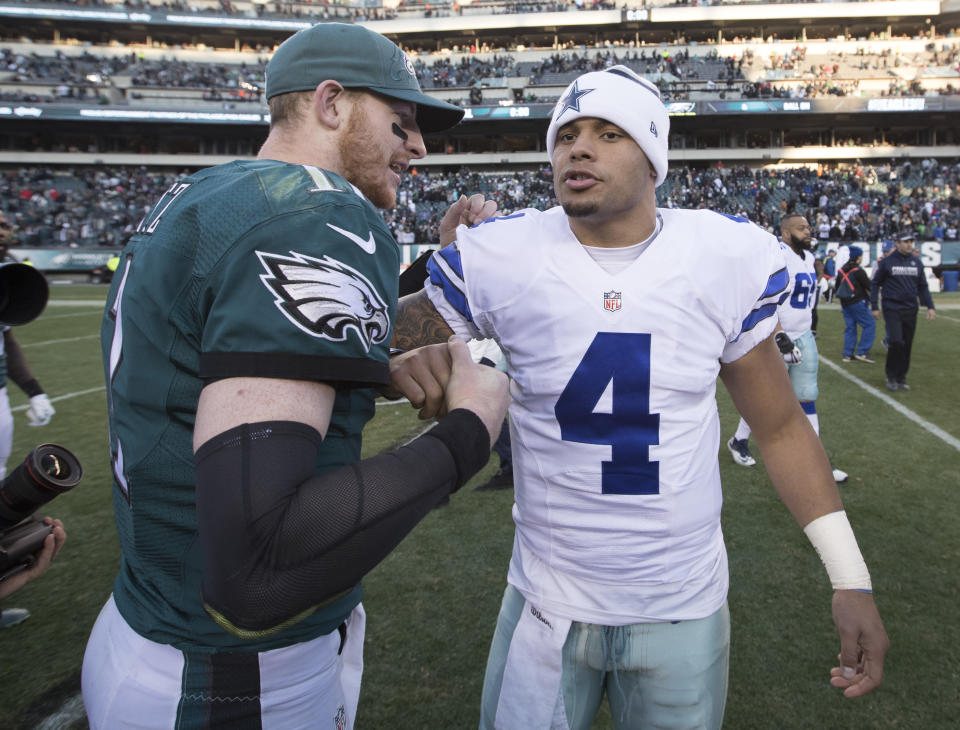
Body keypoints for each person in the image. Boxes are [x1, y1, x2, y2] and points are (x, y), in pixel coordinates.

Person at [391, 66, 887, 730]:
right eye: (565, 134)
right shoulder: (501, 256)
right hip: (547, 600)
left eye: (607, 132)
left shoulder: (717, 255)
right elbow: (389, 345)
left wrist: (848, 574)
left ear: (653, 158)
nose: (579, 147)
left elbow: (778, 427)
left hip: (680, 604)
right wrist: (404, 342)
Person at [81, 23, 509, 730]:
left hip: (150, 625)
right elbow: (259, 566)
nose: (421, 147)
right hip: (231, 673)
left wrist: (436, 273)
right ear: (331, 103)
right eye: (401, 123)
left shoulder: (213, 196)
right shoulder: (318, 210)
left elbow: (268, 347)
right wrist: (470, 428)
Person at [727, 213, 848, 485]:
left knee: (806, 398)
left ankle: (817, 462)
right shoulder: (776, 255)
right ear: (784, 233)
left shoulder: (806, 257)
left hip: (803, 335)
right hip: (774, 338)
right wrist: (781, 337)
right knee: (765, 400)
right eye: (801, 228)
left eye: (808, 227)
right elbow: (765, 299)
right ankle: (739, 440)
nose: (808, 231)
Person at [870, 231, 936, 391]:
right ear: (897, 243)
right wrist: (874, 306)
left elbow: (923, 287)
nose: (909, 244)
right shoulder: (887, 262)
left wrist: (930, 306)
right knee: (896, 341)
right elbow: (875, 283)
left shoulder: (916, 263)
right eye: (905, 241)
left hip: (910, 308)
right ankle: (891, 376)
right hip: (892, 307)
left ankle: (901, 377)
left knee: (907, 344)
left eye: (911, 241)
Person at [836, 245, 875, 363]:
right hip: (857, 302)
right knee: (869, 325)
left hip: (845, 303)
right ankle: (862, 352)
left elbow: (838, 287)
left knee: (850, 328)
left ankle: (847, 354)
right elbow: (869, 286)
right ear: (859, 257)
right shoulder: (858, 271)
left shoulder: (842, 270)